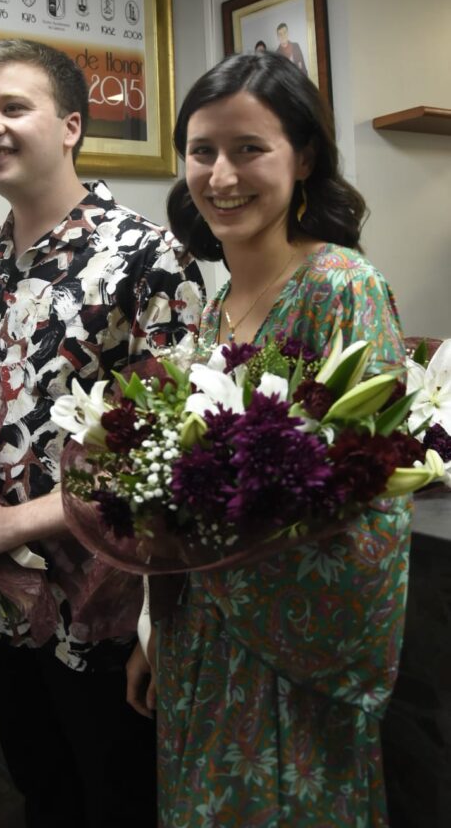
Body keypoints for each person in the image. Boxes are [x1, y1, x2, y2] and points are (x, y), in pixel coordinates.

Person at [0, 39, 205, 828]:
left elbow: (169, 449)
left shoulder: (148, 257)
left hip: (99, 608)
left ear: (72, 126)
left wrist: (13, 521)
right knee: (38, 793)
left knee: (115, 802)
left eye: (13, 107)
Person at [133, 52, 409, 826]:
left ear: (304, 157)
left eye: (249, 149)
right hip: (197, 642)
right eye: (202, 151)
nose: (221, 175)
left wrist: (224, 555)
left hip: (291, 653)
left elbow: (372, 498)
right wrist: (154, 625)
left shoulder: (341, 288)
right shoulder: (213, 305)